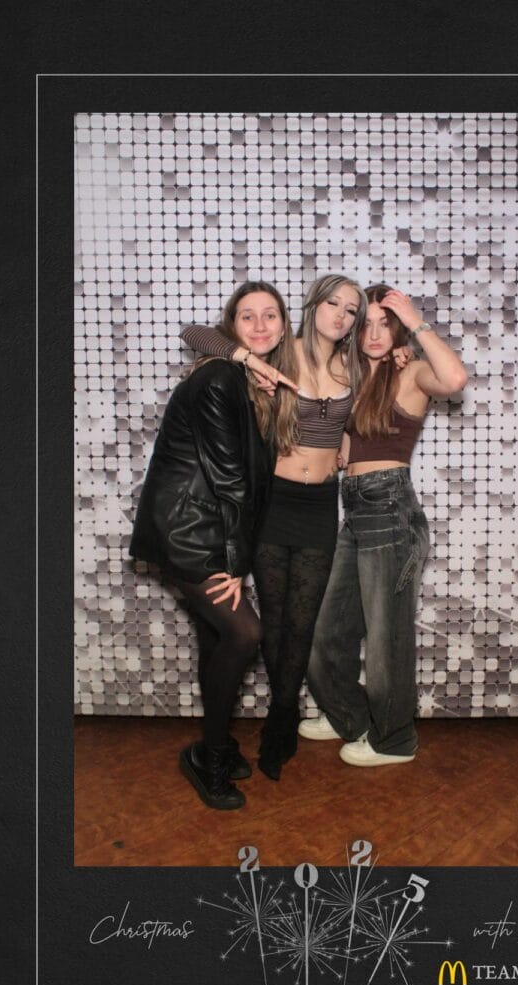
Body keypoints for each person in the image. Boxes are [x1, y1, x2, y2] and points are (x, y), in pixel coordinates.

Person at [180, 274, 369, 780]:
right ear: (312, 305)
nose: (341, 315)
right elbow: (194, 334)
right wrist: (246, 358)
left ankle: (281, 719)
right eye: (333, 303)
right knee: (275, 618)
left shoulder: (355, 364)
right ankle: (279, 719)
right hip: (273, 503)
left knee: (301, 625)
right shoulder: (280, 353)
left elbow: (358, 417)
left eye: (351, 310)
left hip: (320, 506)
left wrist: (347, 441)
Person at [129, 282, 297, 809]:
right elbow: (232, 482)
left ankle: (215, 746)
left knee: (216, 636)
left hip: (202, 524)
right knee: (245, 633)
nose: (260, 325)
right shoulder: (222, 376)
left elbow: (249, 476)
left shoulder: (249, 385)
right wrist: (238, 565)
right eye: (247, 316)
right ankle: (208, 755)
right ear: (232, 327)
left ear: (284, 327)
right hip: (189, 530)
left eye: (270, 315)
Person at [302, 285, 468, 766]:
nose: (374, 334)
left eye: (385, 324)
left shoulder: (411, 371)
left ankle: (395, 740)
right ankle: (351, 718)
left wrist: (415, 323)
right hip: (355, 511)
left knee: (385, 638)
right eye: (366, 324)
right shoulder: (354, 375)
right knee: (325, 631)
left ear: (398, 329)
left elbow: (455, 378)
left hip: (391, 511)